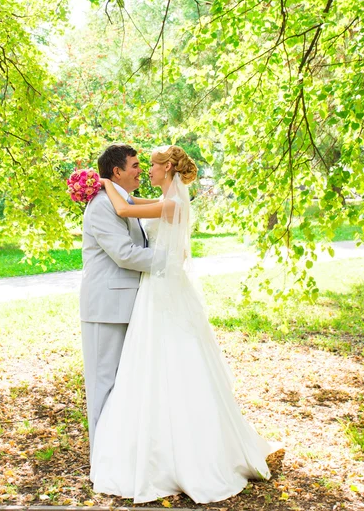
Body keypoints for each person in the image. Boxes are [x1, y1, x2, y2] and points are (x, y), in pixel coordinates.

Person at [90, 145, 282, 504]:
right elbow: (133, 201)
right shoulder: (165, 198)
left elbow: (123, 207)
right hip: (156, 286)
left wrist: (101, 182)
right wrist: (107, 185)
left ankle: (189, 455)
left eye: (151, 165)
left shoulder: (173, 204)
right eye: (139, 165)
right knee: (150, 361)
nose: (146, 170)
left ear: (167, 169)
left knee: (172, 358)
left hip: (162, 286)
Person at [80, 144, 163, 457]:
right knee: (103, 383)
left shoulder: (122, 199)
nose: (140, 170)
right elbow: (125, 254)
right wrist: (169, 259)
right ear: (116, 172)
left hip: (127, 306)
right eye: (134, 165)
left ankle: (119, 455)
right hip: (105, 308)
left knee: (123, 383)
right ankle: (101, 458)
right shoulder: (102, 204)